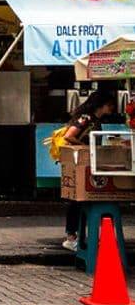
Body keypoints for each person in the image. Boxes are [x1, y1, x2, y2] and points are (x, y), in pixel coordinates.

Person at [61, 90, 118, 252]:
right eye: (109, 105)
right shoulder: (87, 118)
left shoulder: (96, 120)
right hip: (81, 163)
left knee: (86, 200)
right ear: (102, 105)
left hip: (89, 163)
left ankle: (81, 236)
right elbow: (69, 135)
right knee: (78, 200)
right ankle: (71, 237)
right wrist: (86, 147)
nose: (112, 108)